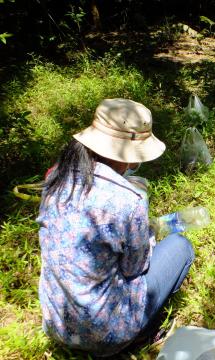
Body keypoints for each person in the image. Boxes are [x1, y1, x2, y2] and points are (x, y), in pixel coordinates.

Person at [37, 99, 195, 357]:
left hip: (58, 325)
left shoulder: (56, 176)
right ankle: (143, 333)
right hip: (107, 335)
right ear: (131, 156)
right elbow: (136, 268)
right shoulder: (128, 200)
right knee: (181, 247)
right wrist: (147, 233)